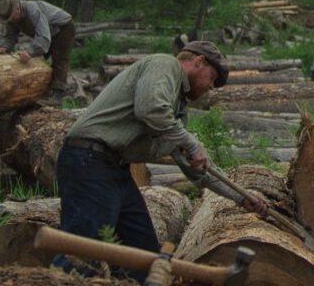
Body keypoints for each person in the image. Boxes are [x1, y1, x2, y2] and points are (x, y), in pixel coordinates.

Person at [51, 41, 266, 281]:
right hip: (89, 161)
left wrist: (241, 197)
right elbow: (151, 109)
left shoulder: (177, 113)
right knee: (81, 254)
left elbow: (199, 171)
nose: (211, 87)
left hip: (114, 170)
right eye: (212, 78)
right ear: (199, 61)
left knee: (143, 257)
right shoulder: (164, 65)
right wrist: (192, 143)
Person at [0, 0, 76, 101]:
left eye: (13, 17)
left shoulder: (33, 10)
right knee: (40, 60)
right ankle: (44, 87)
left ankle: (58, 93)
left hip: (63, 27)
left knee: (59, 58)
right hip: (49, 32)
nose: (13, 20)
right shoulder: (10, 17)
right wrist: (4, 47)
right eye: (10, 19)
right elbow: (10, 36)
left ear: (17, 8)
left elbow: (43, 36)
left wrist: (30, 52)